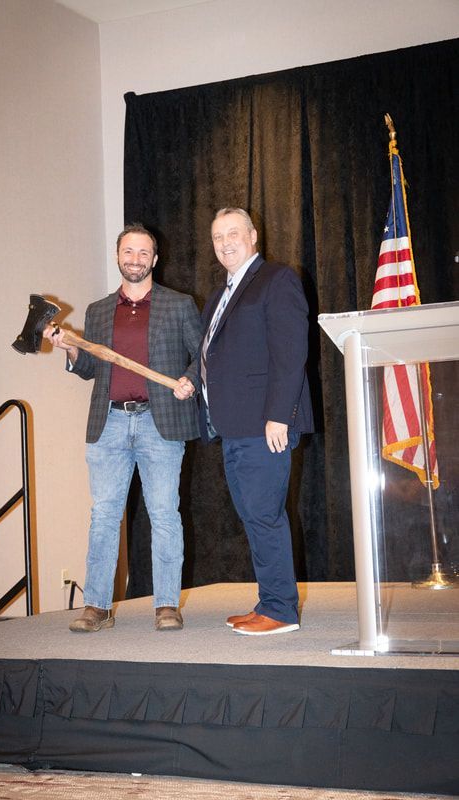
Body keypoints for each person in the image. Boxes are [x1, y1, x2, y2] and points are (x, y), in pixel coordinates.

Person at [45, 223, 201, 632]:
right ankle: (97, 606)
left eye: (143, 252)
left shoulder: (179, 304)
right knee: (103, 516)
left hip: (159, 423)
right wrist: (70, 349)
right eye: (128, 252)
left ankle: (166, 605)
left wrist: (190, 379)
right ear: (118, 257)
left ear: (155, 258)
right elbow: (90, 368)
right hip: (109, 424)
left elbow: (203, 354)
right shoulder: (98, 310)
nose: (135, 259)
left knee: (164, 514)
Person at [199, 208, 313, 636]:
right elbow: (213, 356)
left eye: (233, 233)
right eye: (217, 237)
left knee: (264, 515)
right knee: (254, 517)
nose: (225, 242)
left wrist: (279, 416)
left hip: (264, 424)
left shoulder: (276, 279)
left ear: (253, 236)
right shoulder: (219, 294)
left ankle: (281, 610)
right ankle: (269, 600)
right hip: (232, 426)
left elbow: (290, 352)